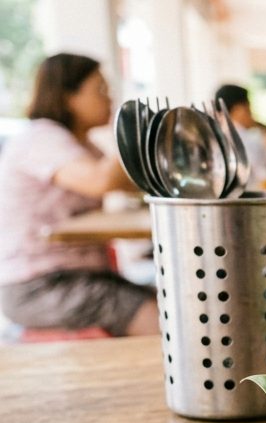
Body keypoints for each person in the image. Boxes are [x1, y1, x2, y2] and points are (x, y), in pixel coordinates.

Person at [0, 53, 156, 336]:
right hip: (37, 286)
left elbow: (135, 183)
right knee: (148, 312)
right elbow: (101, 181)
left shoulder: (83, 147)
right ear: (68, 96)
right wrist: (129, 129)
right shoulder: (41, 137)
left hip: (78, 276)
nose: (109, 98)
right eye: (100, 89)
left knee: (165, 301)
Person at [215, 84, 266, 189]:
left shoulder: (217, 134)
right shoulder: (247, 137)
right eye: (248, 108)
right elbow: (263, 171)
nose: (252, 114)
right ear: (238, 110)